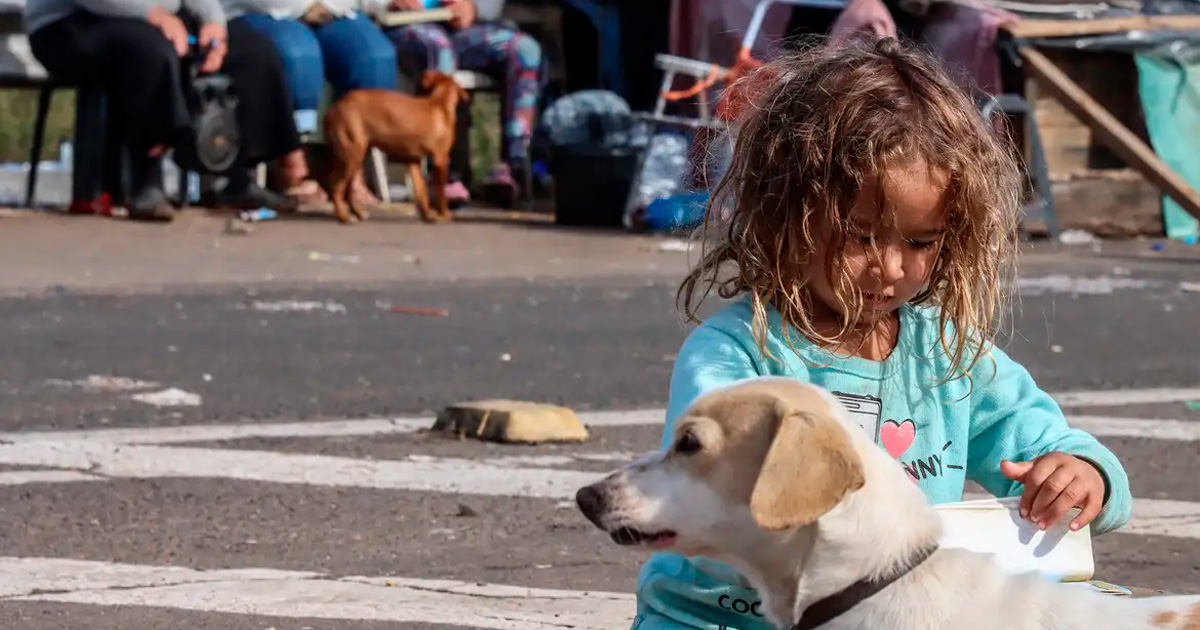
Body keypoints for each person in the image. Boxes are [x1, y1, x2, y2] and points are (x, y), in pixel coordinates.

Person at [634, 37, 1133, 630]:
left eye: (919, 242)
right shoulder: (737, 355)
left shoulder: (946, 357)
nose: (890, 267)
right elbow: (697, 502)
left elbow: (1050, 447)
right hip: (722, 620)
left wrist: (1079, 475)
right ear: (784, 214)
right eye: (860, 235)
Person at [24, 0, 301, 221]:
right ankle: (146, 183)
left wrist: (213, 24)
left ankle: (238, 176)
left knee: (255, 51)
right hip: (72, 23)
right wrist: (154, 14)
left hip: (155, 20)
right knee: (149, 49)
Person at [221, 0, 401, 204]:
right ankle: (292, 165)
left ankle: (350, 172)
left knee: (375, 58)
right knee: (298, 56)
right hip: (263, 9)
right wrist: (302, 8)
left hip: (333, 7)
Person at [381, 0, 542, 208]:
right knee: (440, 52)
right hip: (408, 25)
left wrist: (473, 7)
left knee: (525, 50)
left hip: (464, 28)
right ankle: (444, 172)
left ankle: (515, 165)